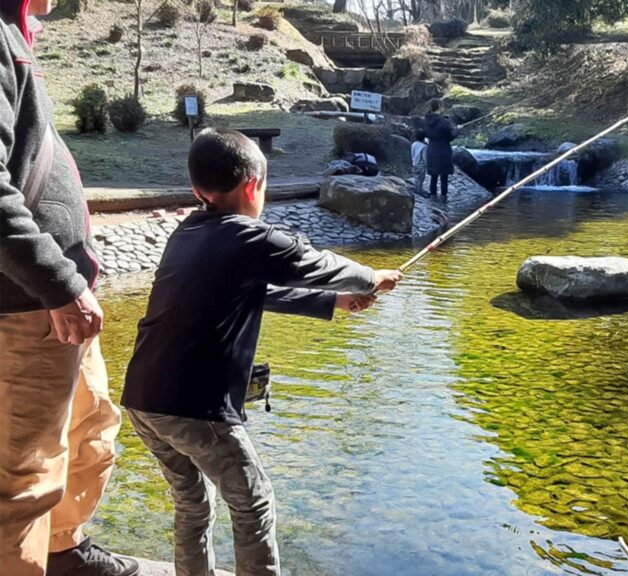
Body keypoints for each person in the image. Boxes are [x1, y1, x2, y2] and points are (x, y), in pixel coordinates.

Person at [120, 128, 403, 576]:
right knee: (254, 502)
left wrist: (333, 302)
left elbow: (257, 292)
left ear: (198, 190)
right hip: (193, 407)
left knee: (192, 502)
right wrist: (371, 278)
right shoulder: (252, 238)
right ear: (253, 185)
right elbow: (318, 263)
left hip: (142, 399)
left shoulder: (189, 232)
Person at [1, 2, 137, 575]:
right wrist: (56, 283)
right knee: (22, 479)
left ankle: (62, 549)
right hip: (25, 306)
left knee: (92, 428)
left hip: (53, 304)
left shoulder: (12, 27)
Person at [424, 99, 457, 199]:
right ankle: (443, 197)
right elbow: (450, 137)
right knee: (444, 176)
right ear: (439, 106)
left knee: (433, 176)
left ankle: (433, 195)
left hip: (431, 149)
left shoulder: (426, 120)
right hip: (443, 151)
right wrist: (457, 130)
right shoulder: (444, 122)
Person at [410, 131, 428, 196]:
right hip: (421, 165)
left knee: (416, 178)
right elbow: (425, 158)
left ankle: (417, 189)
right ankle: (418, 191)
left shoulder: (413, 144)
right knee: (421, 179)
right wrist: (427, 164)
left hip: (414, 163)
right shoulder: (424, 147)